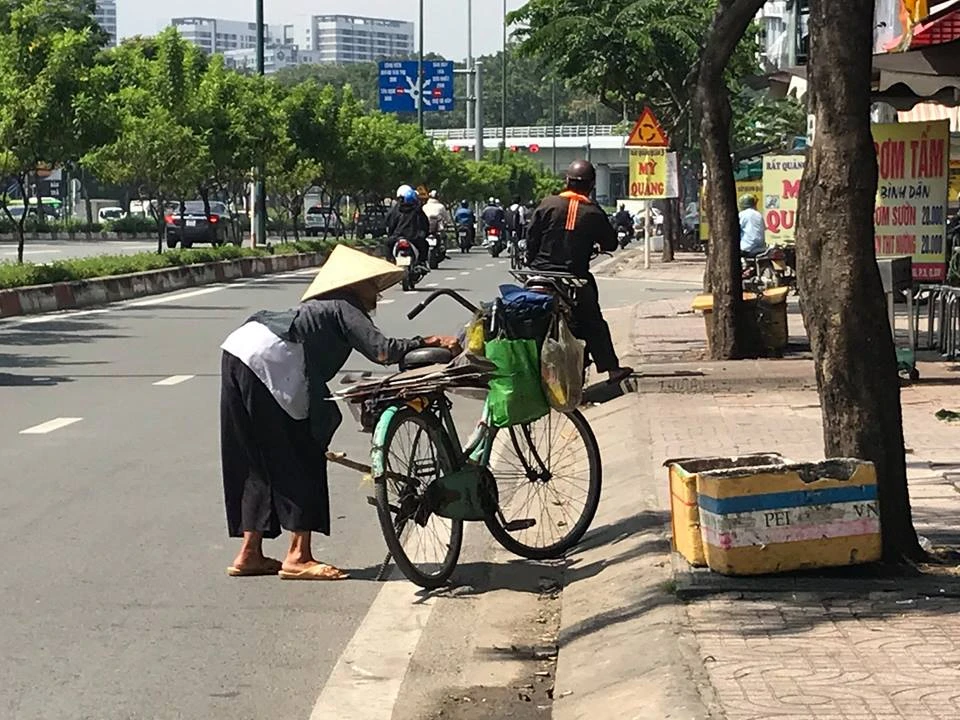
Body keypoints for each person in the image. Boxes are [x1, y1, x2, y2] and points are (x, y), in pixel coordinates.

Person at [220, 245, 460, 580]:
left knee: (256, 457)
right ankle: (297, 556)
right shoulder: (345, 305)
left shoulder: (318, 307)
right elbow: (382, 351)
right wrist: (429, 341)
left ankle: (250, 553)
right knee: (303, 453)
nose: (375, 292)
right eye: (371, 284)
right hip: (274, 360)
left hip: (239, 347)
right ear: (355, 285)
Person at [526, 159, 633, 385]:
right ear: (592, 185)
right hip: (575, 278)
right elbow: (611, 243)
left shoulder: (546, 204)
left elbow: (531, 238)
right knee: (593, 322)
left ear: (566, 181)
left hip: (540, 276)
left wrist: (532, 260)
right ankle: (611, 369)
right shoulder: (593, 212)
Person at [386, 184, 430, 269]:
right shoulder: (417, 210)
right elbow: (425, 225)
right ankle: (422, 263)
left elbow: (389, 223)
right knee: (424, 245)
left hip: (398, 236)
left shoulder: (396, 210)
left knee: (388, 244)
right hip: (414, 237)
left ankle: (389, 264)